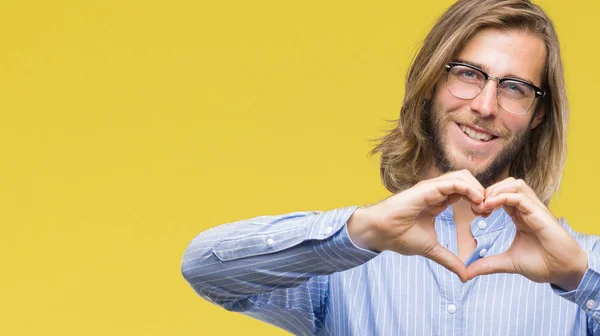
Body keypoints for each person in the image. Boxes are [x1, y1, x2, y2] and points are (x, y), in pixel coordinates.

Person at [181, 0, 600, 334]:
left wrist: (580, 279)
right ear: (431, 81)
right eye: (469, 74)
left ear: (538, 113)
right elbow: (205, 268)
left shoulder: (581, 262)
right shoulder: (344, 264)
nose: (485, 106)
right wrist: (359, 234)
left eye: (514, 87)